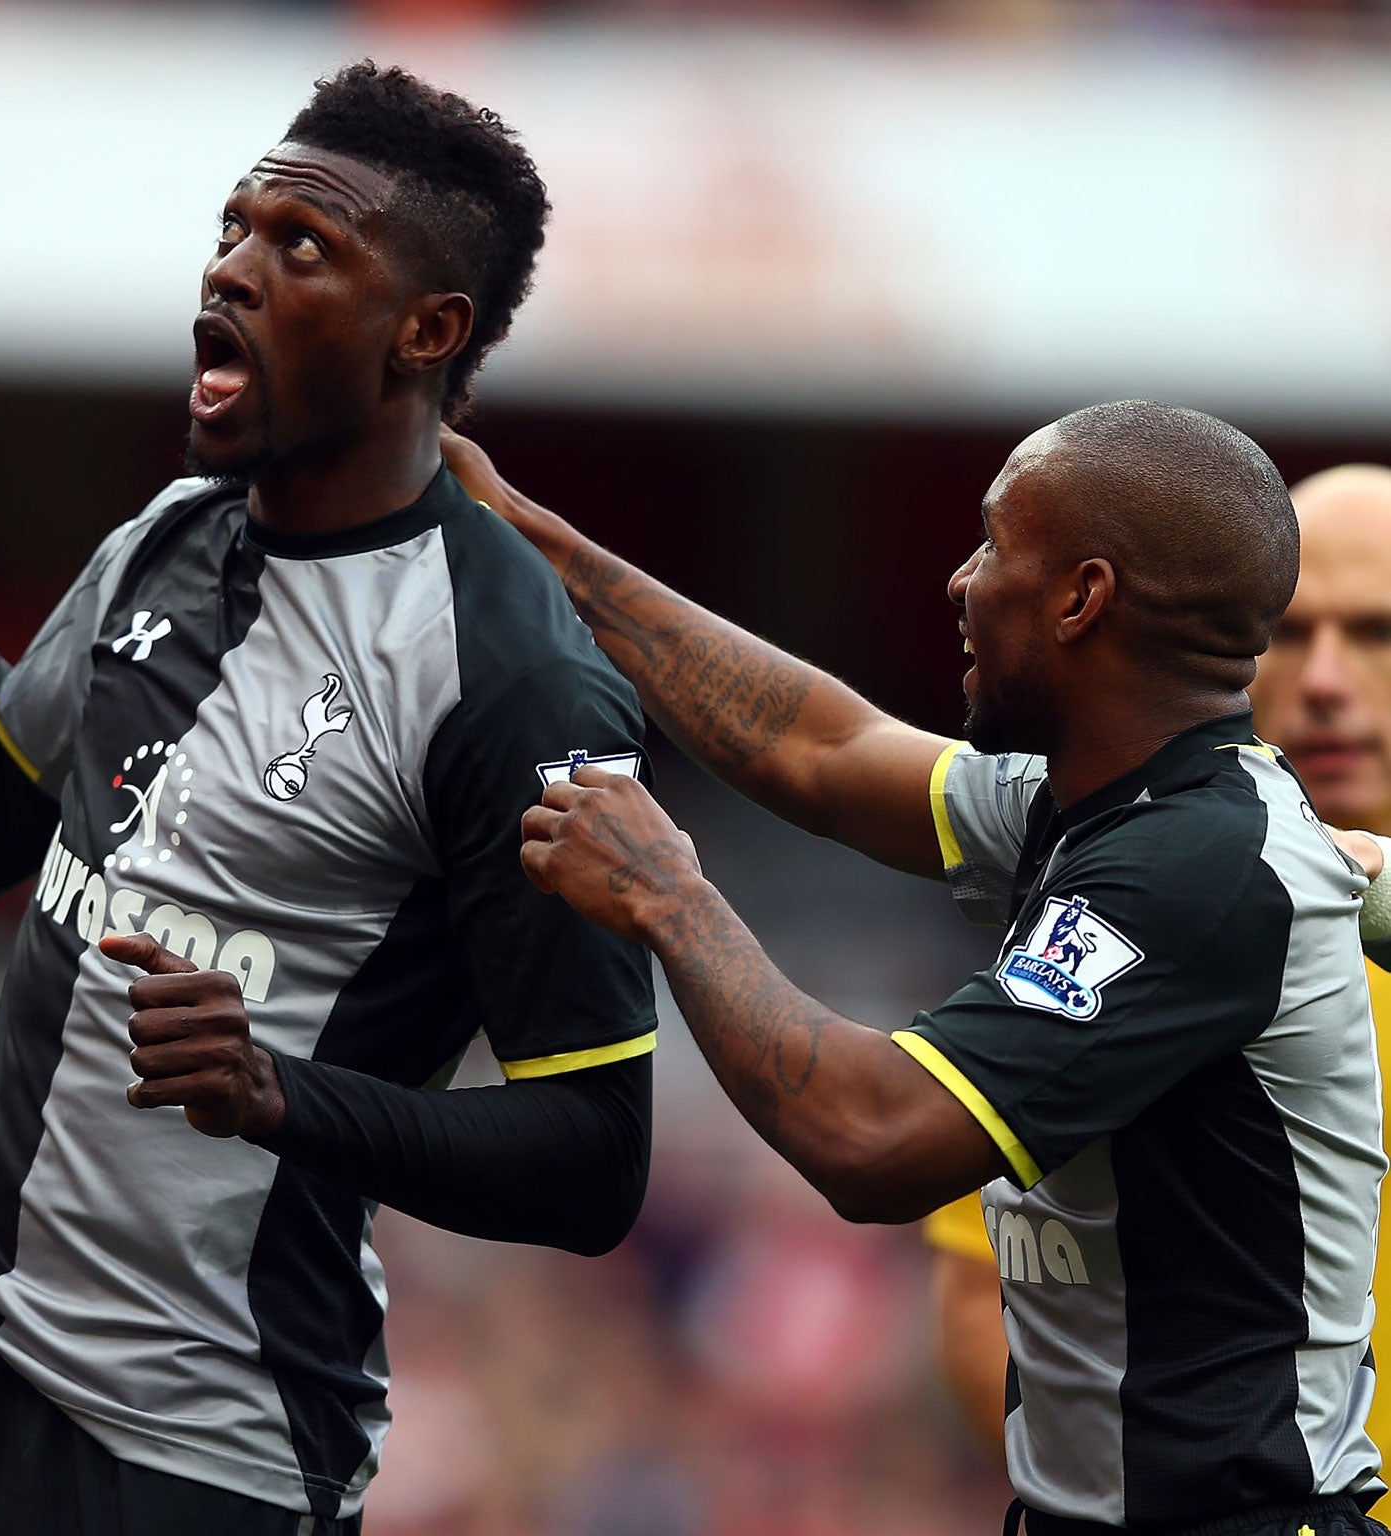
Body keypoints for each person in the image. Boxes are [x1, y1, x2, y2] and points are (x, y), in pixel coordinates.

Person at [0, 64, 658, 1536]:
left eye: (300, 247)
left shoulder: (508, 680)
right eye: (231, 227)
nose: (231, 270)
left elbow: (594, 1160)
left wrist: (281, 1097)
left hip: (193, 1446)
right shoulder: (169, 540)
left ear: (427, 331)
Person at [443, 405, 1391, 1534]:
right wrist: (538, 541)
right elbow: (825, 752)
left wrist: (668, 897)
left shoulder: (1199, 870)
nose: (958, 580)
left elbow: (875, 1140)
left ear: (1082, 597)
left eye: (995, 546)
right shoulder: (1101, 808)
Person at [924, 462, 1391, 1462]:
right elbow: (983, 1296)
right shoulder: (1123, 897)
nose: (1322, 679)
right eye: (1292, 630)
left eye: (1376, 633)